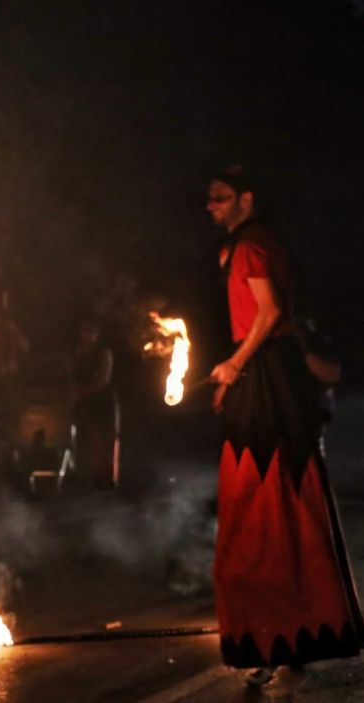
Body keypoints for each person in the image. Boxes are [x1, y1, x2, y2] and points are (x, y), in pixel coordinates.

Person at [204, 165, 363, 685]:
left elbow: (268, 314)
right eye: (211, 200)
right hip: (273, 378)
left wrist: (235, 366)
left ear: (247, 199)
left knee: (260, 508)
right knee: (283, 505)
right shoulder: (256, 242)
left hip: (269, 380)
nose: (213, 207)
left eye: (222, 198)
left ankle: (273, 637)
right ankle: (293, 633)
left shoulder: (250, 245)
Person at [71, 319, 119, 489]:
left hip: (104, 399)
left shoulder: (104, 352)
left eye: (90, 332)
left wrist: (83, 392)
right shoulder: (79, 352)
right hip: (88, 401)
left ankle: (109, 478)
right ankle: (98, 476)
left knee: (108, 440)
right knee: (94, 440)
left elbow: (104, 380)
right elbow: (74, 373)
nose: (86, 336)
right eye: (83, 331)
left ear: (96, 335)